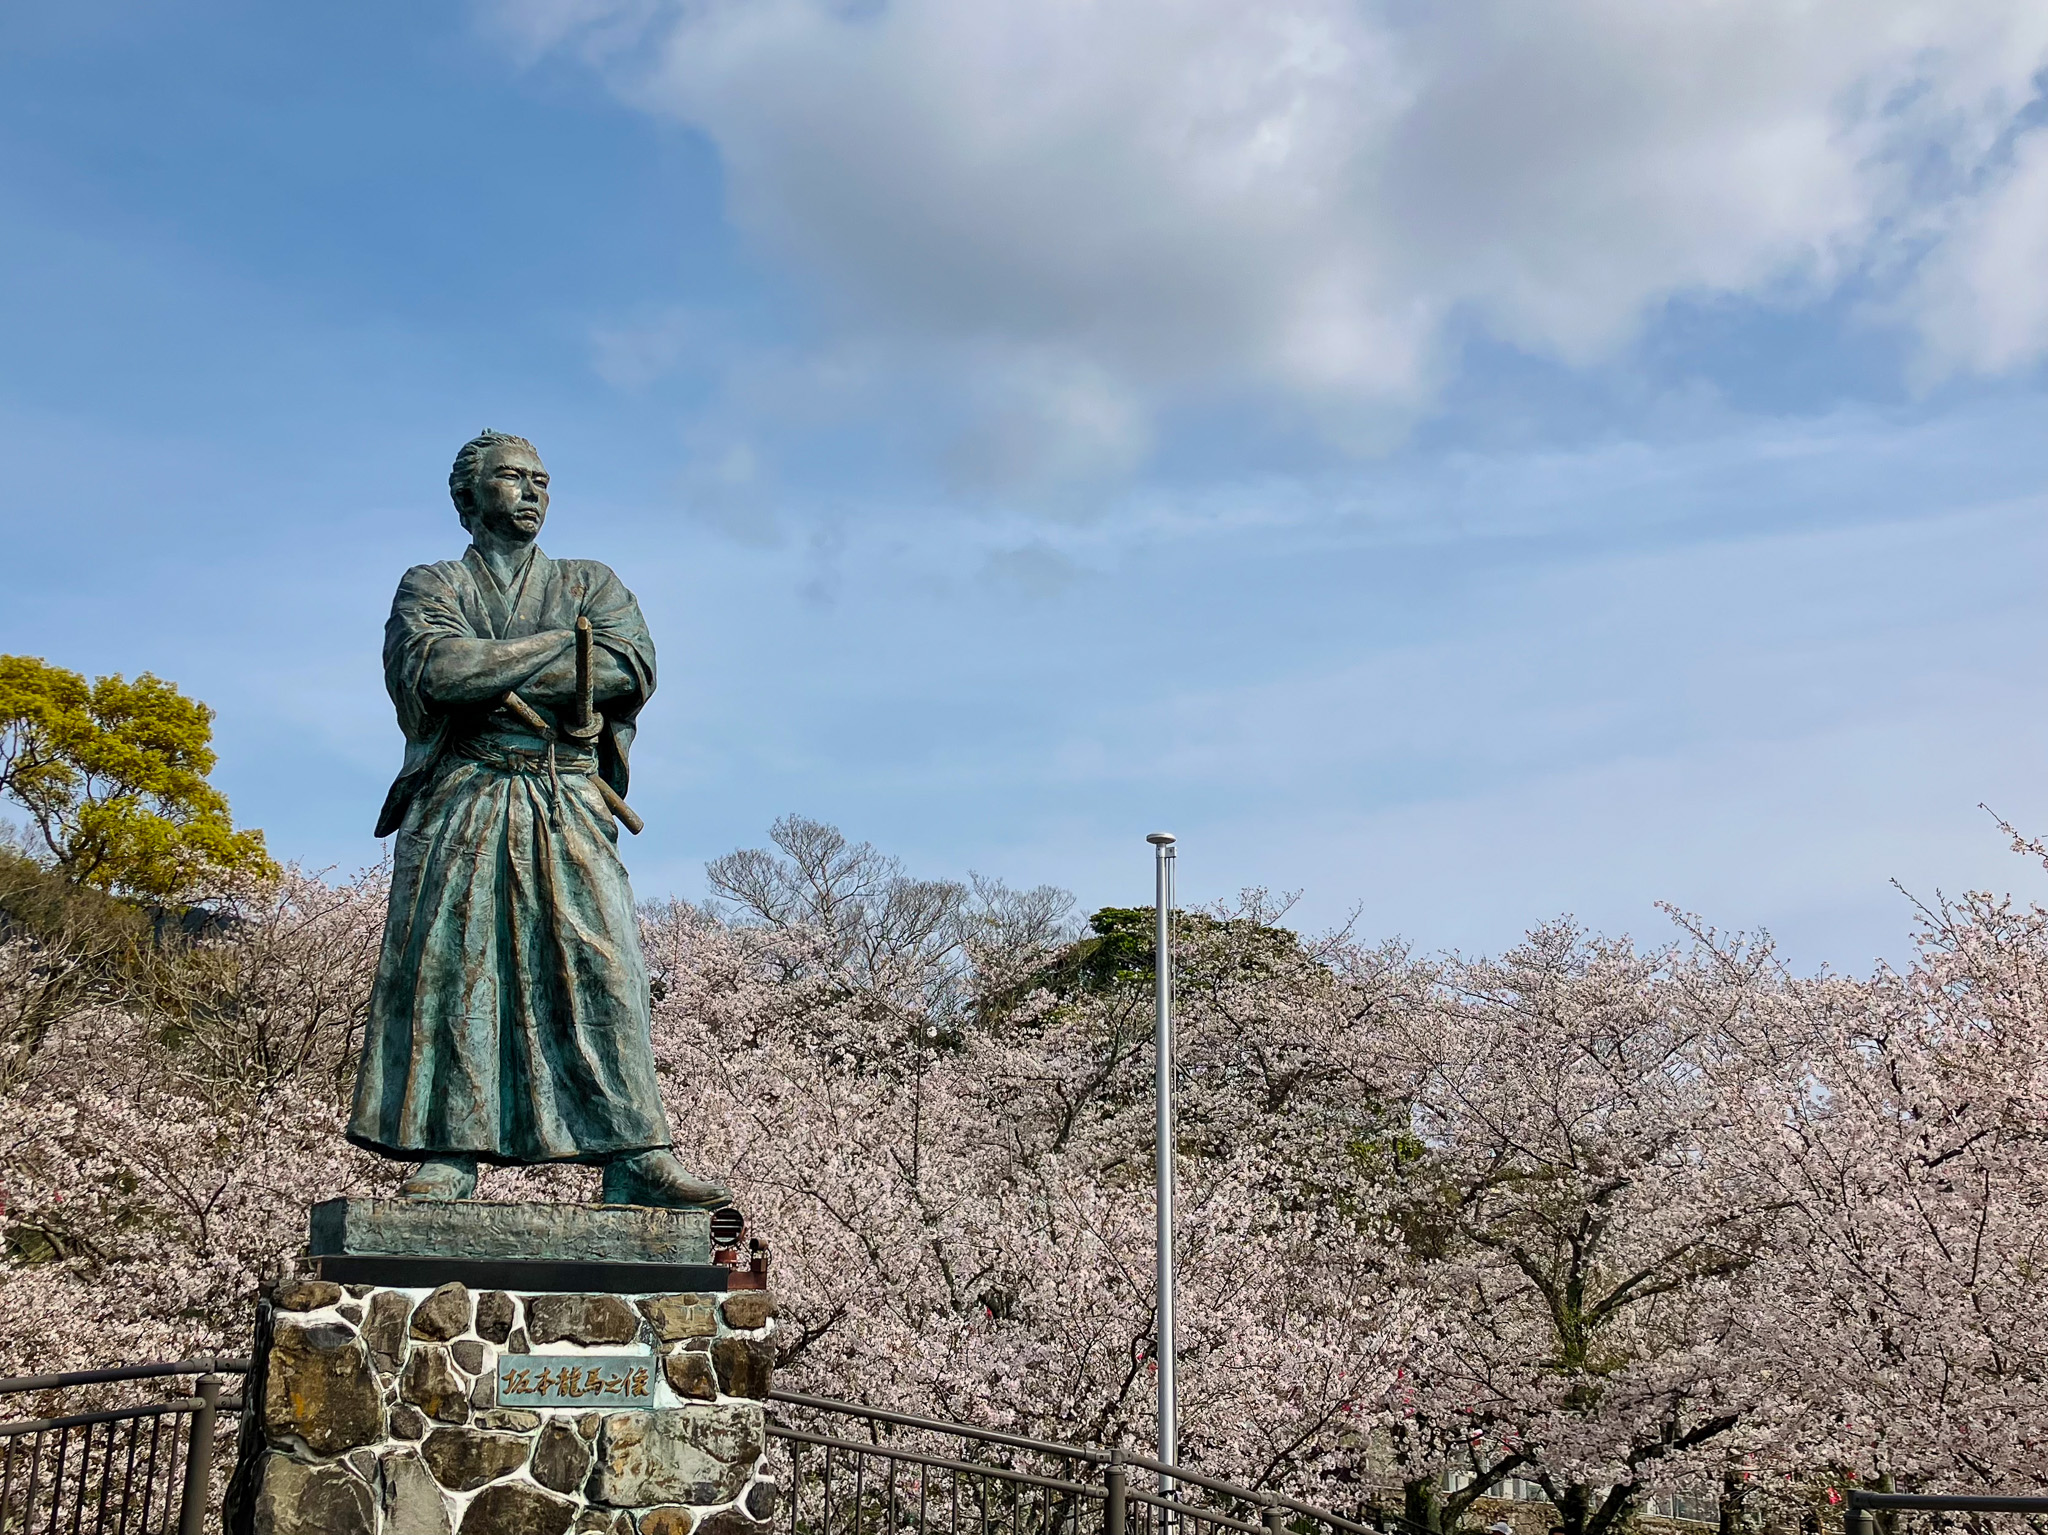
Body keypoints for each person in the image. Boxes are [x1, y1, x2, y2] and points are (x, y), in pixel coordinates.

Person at [348, 429, 728, 1208]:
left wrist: (502, 664)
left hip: (567, 795)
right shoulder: (432, 585)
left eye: (542, 480)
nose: (531, 492)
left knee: (604, 963)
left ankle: (633, 1152)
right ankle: (447, 1151)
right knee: (459, 965)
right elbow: (434, 668)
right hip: (465, 792)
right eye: (512, 478)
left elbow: (627, 665)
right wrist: (562, 649)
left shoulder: (592, 581)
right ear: (469, 495)